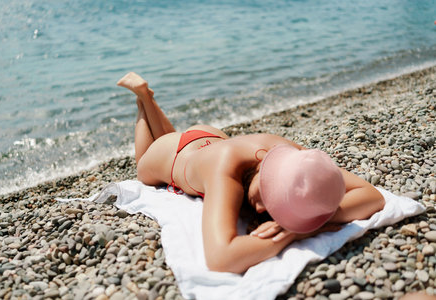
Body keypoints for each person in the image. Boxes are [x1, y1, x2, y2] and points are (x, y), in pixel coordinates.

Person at [117, 72, 385, 273]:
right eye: (267, 197)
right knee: (144, 163)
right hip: (173, 155)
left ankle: (148, 97)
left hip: (211, 137)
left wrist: (310, 221)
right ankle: (142, 100)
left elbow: (372, 196)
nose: (259, 210)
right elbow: (221, 258)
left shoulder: (288, 154)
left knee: (173, 135)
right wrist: (295, 233)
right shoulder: (226, 173)